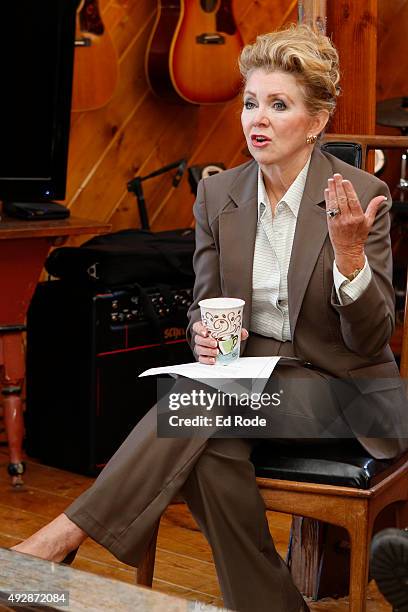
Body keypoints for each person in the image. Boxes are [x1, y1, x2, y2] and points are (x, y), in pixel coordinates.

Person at [11, 24, 408, 612]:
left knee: (190, 408)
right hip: (250, 382)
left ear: (317, 120)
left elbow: (373, 336)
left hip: (350, 391)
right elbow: (205, 300)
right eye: (251, 102)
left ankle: (59, 539)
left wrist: (350, 257)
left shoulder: (359, 192)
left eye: (279, 105)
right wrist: (202, 330)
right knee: (211, 453)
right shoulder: (218, 195)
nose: (259, 118)